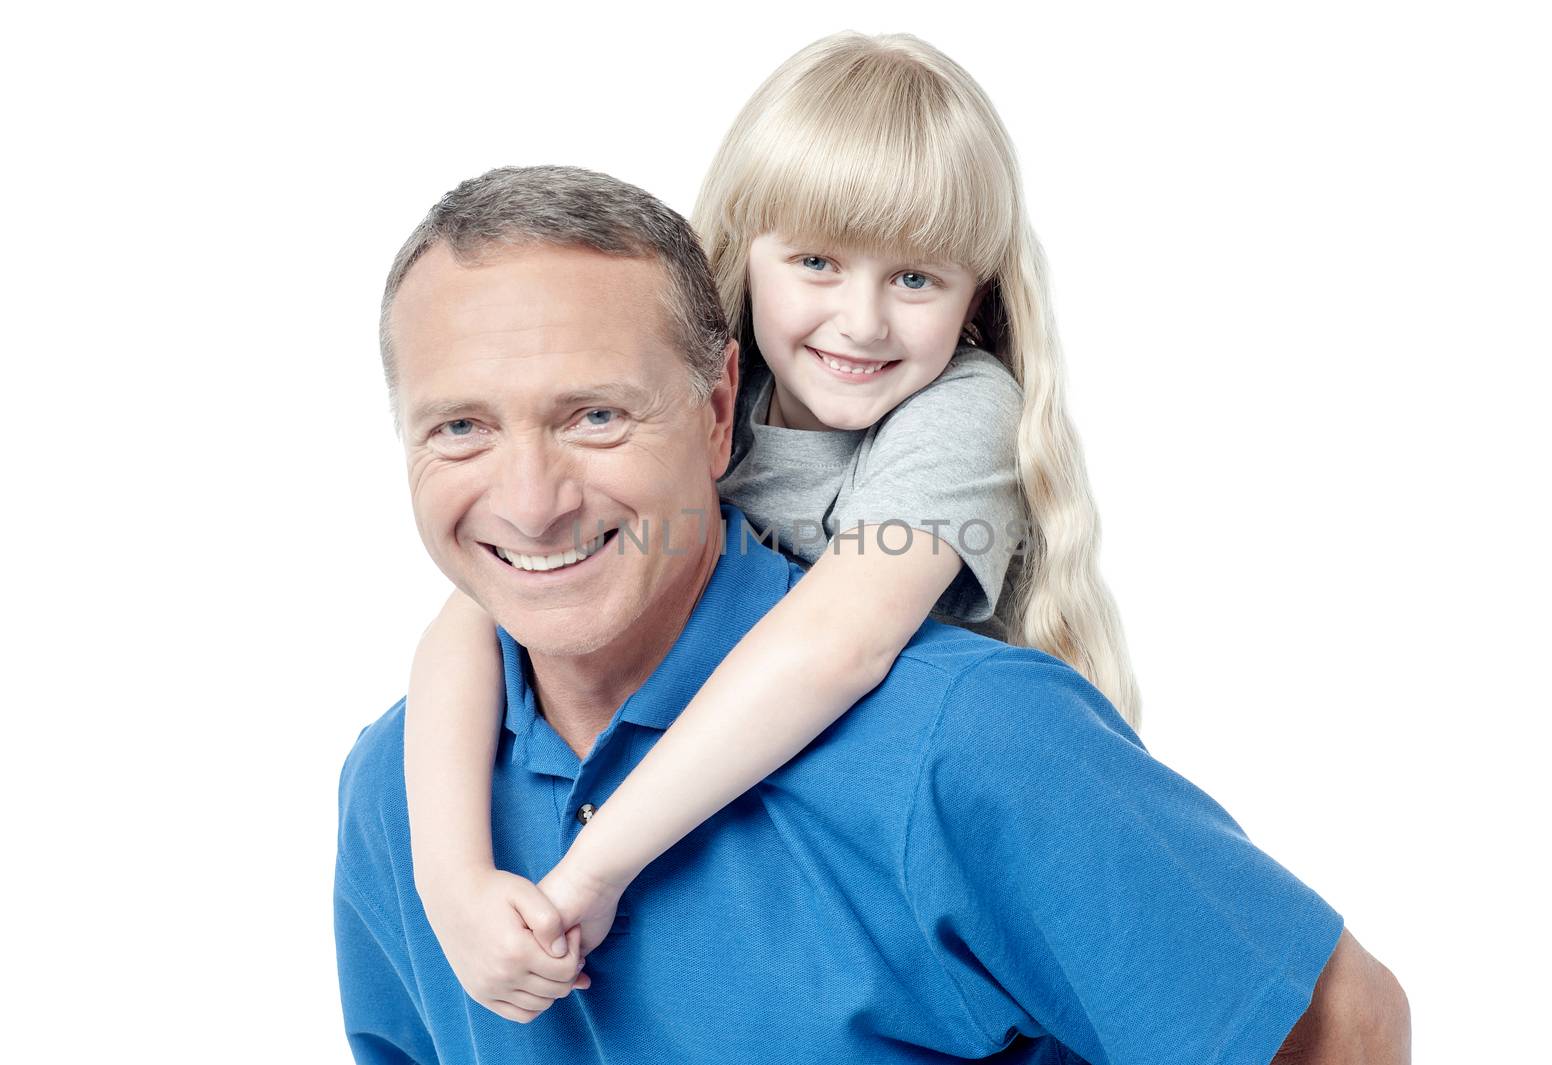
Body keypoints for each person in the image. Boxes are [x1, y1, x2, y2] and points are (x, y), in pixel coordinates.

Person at [334, 162, 1410, 1062]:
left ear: (719, 414)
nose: (530, 500)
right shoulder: (400, 793)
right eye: (460, 429)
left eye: (596, 416)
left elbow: (1343, 1030)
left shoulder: (968, 739)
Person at [402, 32, 1147, 1023]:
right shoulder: (707, 393)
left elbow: (835, 646)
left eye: (915, 278)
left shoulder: (960, 411)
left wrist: (590, 872)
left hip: (905, 843)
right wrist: (451, 888)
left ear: (977, 293)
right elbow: (481, 613)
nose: (862, 323)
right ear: (744, 254)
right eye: (817, 262)